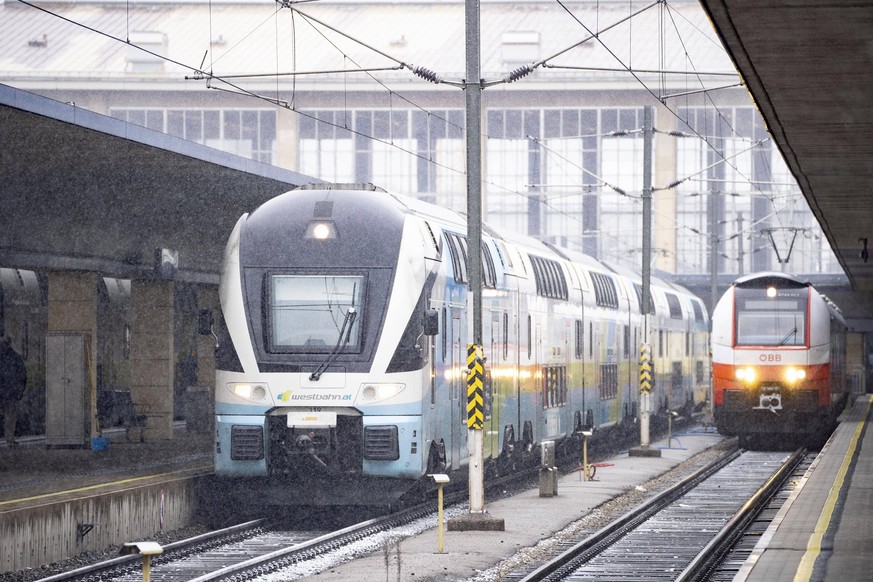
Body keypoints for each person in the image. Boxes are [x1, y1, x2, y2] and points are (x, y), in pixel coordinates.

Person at [0, 336, 27, 446]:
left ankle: (10, 439)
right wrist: (19, 391)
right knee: (10, 417)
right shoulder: (16, 357)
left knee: (9, 416)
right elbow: (23, 376)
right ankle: (9, 440)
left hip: (3, 392)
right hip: (12, 393)